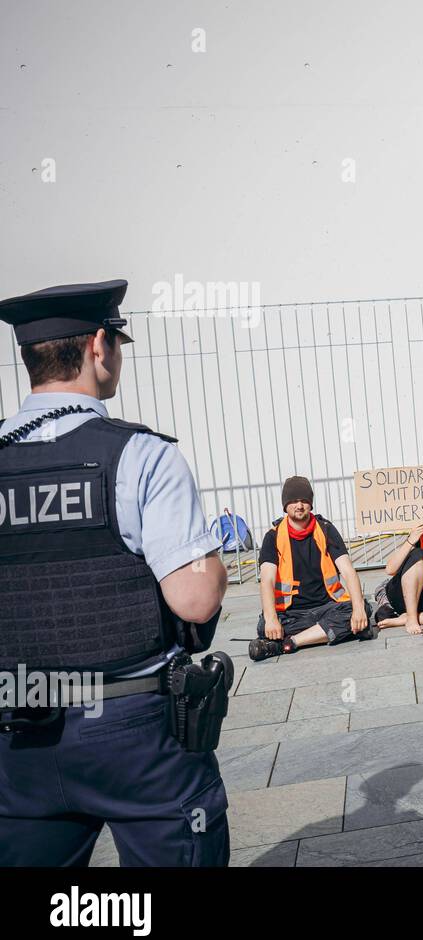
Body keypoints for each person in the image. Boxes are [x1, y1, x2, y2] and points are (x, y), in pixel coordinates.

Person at [0, 280, 230, 866]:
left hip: (17, 737)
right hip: (133, 729)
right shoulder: (141, 456)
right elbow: (195, 601)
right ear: (99, 346)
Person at [249, 476, 372, 661]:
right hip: (291, 612)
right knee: (264, 625)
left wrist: (358, 609)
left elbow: (347, 571)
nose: (299, 505)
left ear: (311, 504)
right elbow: (267, 580)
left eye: (304, 500)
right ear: (285, 505)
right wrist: (272, 619)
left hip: (328, 606)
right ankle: (334, 632)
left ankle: (289, 643)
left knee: (362, 609)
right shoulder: (272, 537)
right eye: (294, 501)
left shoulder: (326, 529)